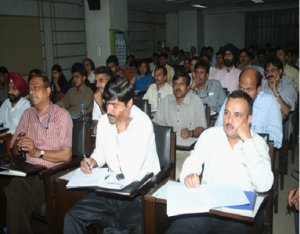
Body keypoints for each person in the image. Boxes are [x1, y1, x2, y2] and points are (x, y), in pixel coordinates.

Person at [166, 90, 273, 234]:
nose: (229, 120)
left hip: (238, 216)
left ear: (249, 120)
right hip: (205, 210)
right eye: (227, 113)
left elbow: (264, 185)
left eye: (237, 115)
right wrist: (189, 175)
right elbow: (193, 161)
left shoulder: (257, 144)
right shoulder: (210, 136)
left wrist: (247, 141)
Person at [64, 75, 160, 234]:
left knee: (115, 230)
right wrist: (93, 160)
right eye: (107, 104)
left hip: (140, 191)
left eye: (115, 105)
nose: (109, 111)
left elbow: (131, 173)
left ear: (129, 103)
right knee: (72, 216)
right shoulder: (103, 122)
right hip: (111, 187)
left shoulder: (142, 124)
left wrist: (121, 130)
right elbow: (101, 152)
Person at [5, 75, 72, 234]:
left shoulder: (61, 115)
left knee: (15, 193)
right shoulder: (27, 114)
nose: (32, 92)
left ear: (48, 91)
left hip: (52, 173)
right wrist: (18, 145)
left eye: (37, 87)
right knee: (13, 190)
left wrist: (37, 152)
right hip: (29, 171)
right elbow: (14, 149)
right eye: (30, 88)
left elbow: (66, 155)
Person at [215, 68, 283, 148]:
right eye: (241, 88)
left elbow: (276, 140)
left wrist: (248, 141)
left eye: (249, 89)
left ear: (258, 89)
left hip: (257, 153)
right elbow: (218, 130)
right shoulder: (231, 101)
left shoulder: (270, 104)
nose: (244, 93)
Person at [92, 66, 113, 134]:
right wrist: (96, 125)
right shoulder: (98, 94)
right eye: (96, 81)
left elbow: (111, 122)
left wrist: (101, 104)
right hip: (103, 131)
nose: (97, 85)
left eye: (101, 80)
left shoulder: (116, 96)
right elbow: (95, 118)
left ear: (110, 81)